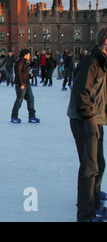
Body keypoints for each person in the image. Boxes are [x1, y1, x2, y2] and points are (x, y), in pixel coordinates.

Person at [67, 27, 107, 222]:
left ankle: (95, 203)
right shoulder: (91, 62)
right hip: (84, 120)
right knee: (89, 168)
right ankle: (86, 215)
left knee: (99, 164)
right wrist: (89, 118)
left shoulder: (101, 61)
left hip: (96, 118)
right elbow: (80, 93)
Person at [10, 49, 40, 124]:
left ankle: (32, 116)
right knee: (19, 100)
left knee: (31, 99)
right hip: (21, 84)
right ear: (25, 55)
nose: (29, 55)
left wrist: (29, 76)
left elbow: (24, 73)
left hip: (27, 83)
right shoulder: (19, 62)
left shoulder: (26, 62)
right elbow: (18, 74)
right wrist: (21, 84)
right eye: (28, 54)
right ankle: (14, 116)